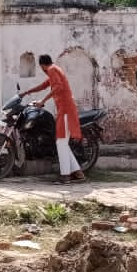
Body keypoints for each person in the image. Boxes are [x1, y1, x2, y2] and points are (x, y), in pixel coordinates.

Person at [20, 54, 86, 185]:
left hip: (66, 110)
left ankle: (65, 176)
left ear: (42, 65)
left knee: (61, 143)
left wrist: (42, 101)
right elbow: (44, 85)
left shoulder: (51, 70)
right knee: (62, 143)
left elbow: (58, 87)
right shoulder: (54, 70)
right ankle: (78, 173)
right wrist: (27, 92)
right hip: (66, 110)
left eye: (41, 68)